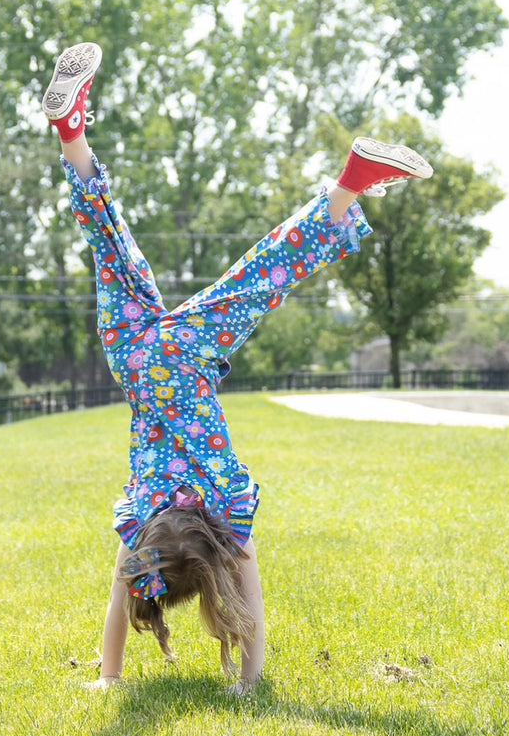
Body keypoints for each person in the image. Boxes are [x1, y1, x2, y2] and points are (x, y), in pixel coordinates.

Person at [43, 42, 432, 695]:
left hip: (184, 360)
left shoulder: (228, 514)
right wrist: (109, 675)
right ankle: (70, 136)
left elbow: (245, 615)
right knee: (113, 249)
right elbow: (120, 601)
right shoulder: (140, 515)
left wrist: (248, 683)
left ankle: (347, 187)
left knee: (256, 280)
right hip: (135, 360)